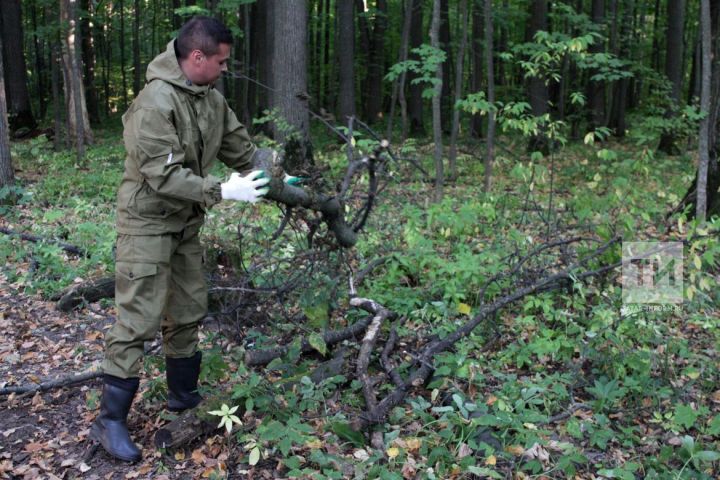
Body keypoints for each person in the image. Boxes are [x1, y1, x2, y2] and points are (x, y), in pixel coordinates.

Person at [90, 16, 271, 463]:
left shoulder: (210, 100)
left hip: (186, 224)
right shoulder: (155, 102)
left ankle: (183, 399)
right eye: (221, 61)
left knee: (188, 308)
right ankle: (109, 421)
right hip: (146, 223)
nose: (226, 68)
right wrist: (223, 190)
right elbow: (162, 176)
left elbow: (242, 150)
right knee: (138, 318)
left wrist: (278, 176)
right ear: (197, 57)